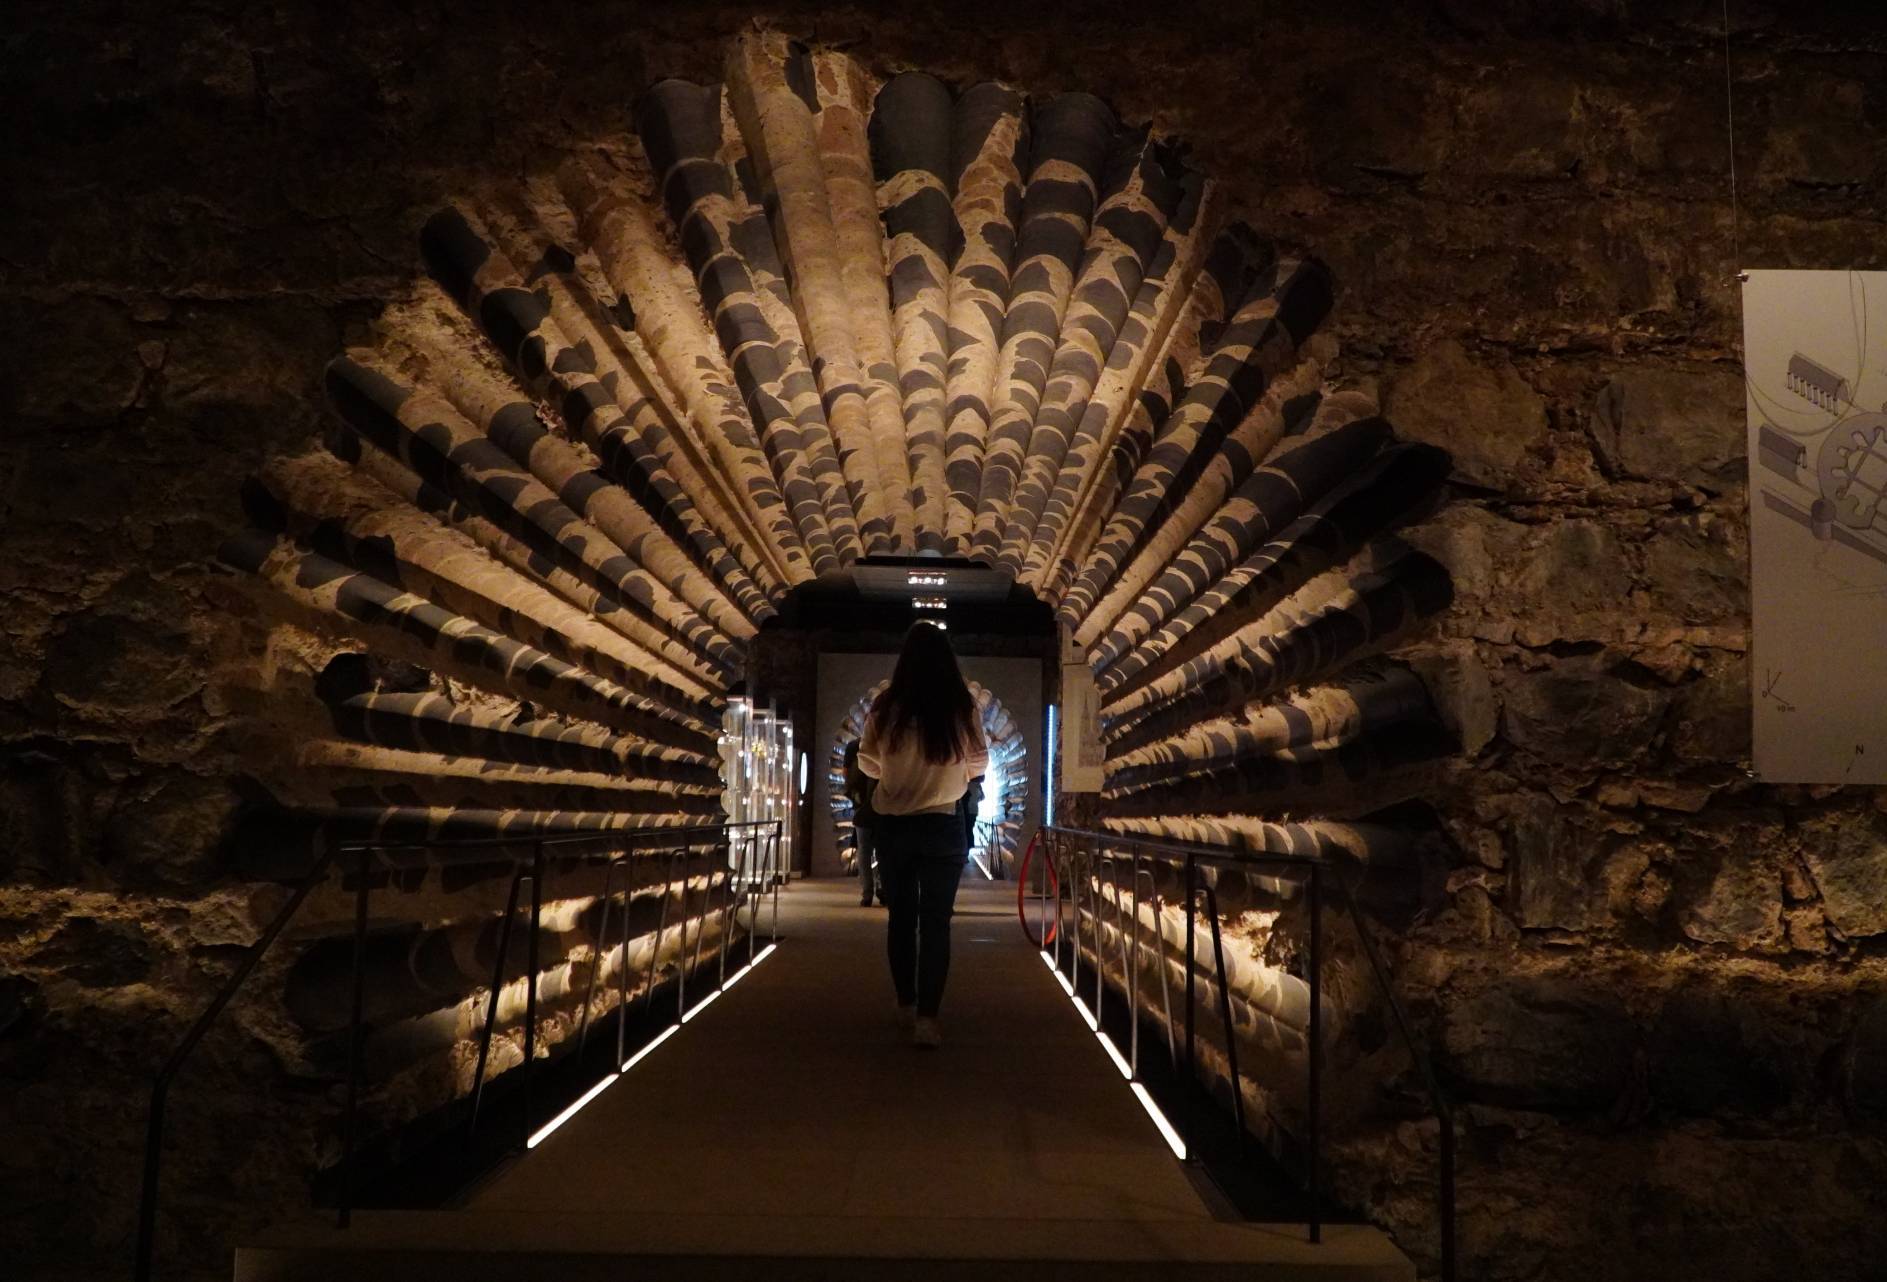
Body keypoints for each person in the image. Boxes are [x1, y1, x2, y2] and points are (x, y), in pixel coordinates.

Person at [857, 622, 988, 1049]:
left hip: (894, 824)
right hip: (943, 823)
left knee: (901, 918)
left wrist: (897, 772)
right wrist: (952, 776)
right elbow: (979, 762)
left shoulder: (886, 706)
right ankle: (928, 1019)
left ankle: (905, 1002)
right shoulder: (960, 706)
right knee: (936, 923)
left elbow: (866, 762)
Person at [841, 738, 881, 906]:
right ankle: (883, 888)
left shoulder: (853, 746)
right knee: (883, 849)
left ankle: (867, 893)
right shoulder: (885, 743)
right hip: (882, 806)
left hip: (862, 806)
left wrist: (854, 796)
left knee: (864, 851)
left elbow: (846, 774)